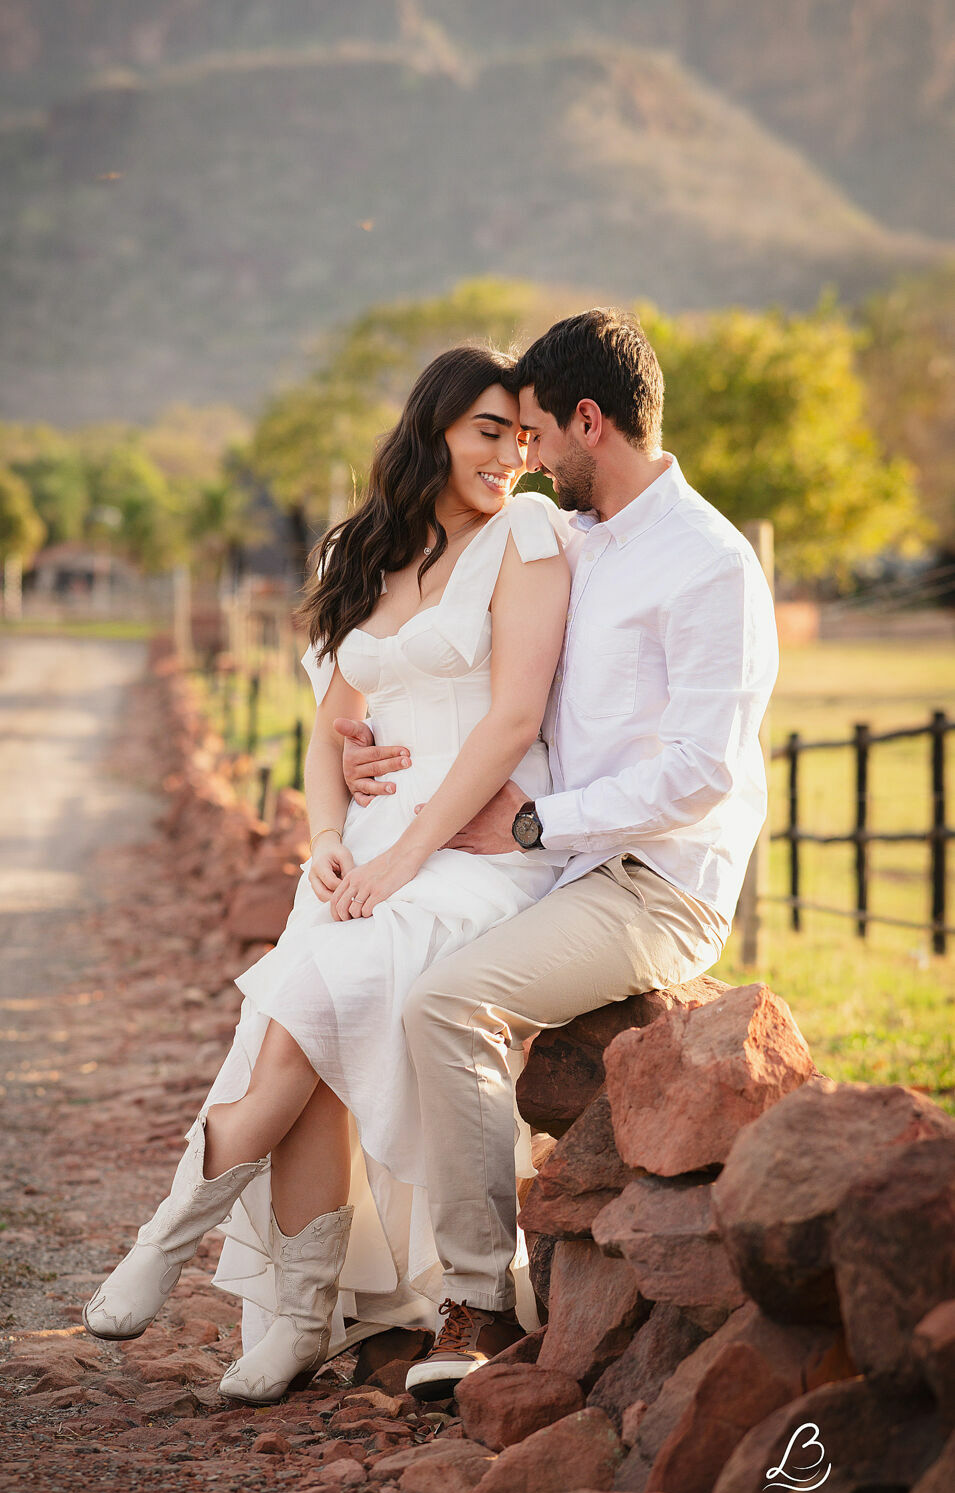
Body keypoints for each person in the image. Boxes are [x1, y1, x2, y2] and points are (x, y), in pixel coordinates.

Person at [83, 345, 573, 1401]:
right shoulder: (365, 549)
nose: (509, 455)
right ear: (435, 428)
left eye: (522, 437)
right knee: (305, 1039)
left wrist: (404, 855)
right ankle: (300, 1313)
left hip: (473, 854)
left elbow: (512, 719)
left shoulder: (524, 536)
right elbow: (330, 728)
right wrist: (326, 835)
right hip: (368, 853)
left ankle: (166, 1244)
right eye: (488, 430)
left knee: (308, 1013)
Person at [339, 308, 780, 1400]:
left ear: (590, 421)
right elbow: (474, 667)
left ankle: (481, 1302)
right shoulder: (573, 540)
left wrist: (538, 823)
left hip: (650, 879)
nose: (525, 457)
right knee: (367, 956)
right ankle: (352, 1278)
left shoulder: (708, 564)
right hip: (556, 860)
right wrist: (361, 739)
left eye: (535, 433)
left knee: (447, 1004)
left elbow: (699, 774)